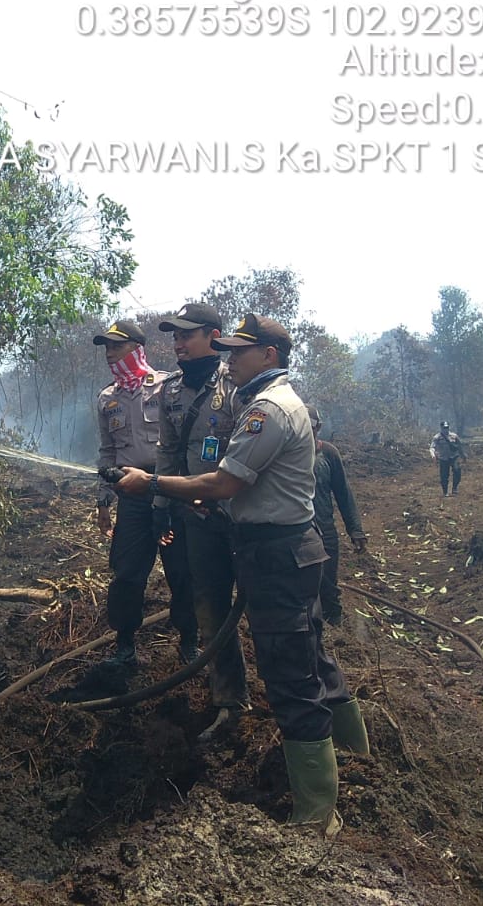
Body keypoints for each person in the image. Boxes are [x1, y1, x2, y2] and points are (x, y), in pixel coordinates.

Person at [113, 314, 369, 837]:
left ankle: (317, 816)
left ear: (269, 355)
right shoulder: (260, 400)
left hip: (275, 553)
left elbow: (226, 481)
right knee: (312, 654)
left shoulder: (265, 409)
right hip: (284, 550)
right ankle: (355, 751)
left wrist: (154, 485)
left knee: (290, 676)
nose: (230, 358)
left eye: (240, 350)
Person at [153, 304, 250, 737]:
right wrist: (163, 508)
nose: (177, 344)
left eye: (185, 336)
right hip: (198, 519)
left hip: (247, 519)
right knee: (210, 606)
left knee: (267, 609)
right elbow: (169, 453)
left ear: (213, 336)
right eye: (174, 337)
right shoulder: (170, 392)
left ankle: (296, 701)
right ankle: (229, 703)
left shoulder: (240, 386)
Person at [93, 320, 195, 668]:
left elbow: (183, 445)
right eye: (106, 348)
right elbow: (107, 452)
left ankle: (190, 642)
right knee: (126, 574)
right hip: (132, 498)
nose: (109, 354)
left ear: (137, 348)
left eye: (116, 347)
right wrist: (103, 500)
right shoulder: (107, 399)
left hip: (171, 493)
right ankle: (124, 646)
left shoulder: (169, 387)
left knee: (182, 571)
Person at [306, 406, 368, 627]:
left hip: (325, 530)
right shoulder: (287, 453)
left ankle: (336, 629)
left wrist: (355, 529)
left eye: (310, 427)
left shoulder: (329, 454)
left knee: (328, 583)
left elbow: (343, 493)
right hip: (298, 531)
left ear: (318, 427)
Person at [430, 421, 467, 497]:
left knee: (457, 471)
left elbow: (460, 447)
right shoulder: (437, 437)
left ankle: (454, 488)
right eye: (444, 428)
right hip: (443, 458)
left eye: (447, 427)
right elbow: (432, 447)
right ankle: (445, 492)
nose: (445, 429)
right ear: (441, 428)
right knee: (444, 476)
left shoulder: (454, 436)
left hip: (454, 457)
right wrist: (433, 455)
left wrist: (463, 456)